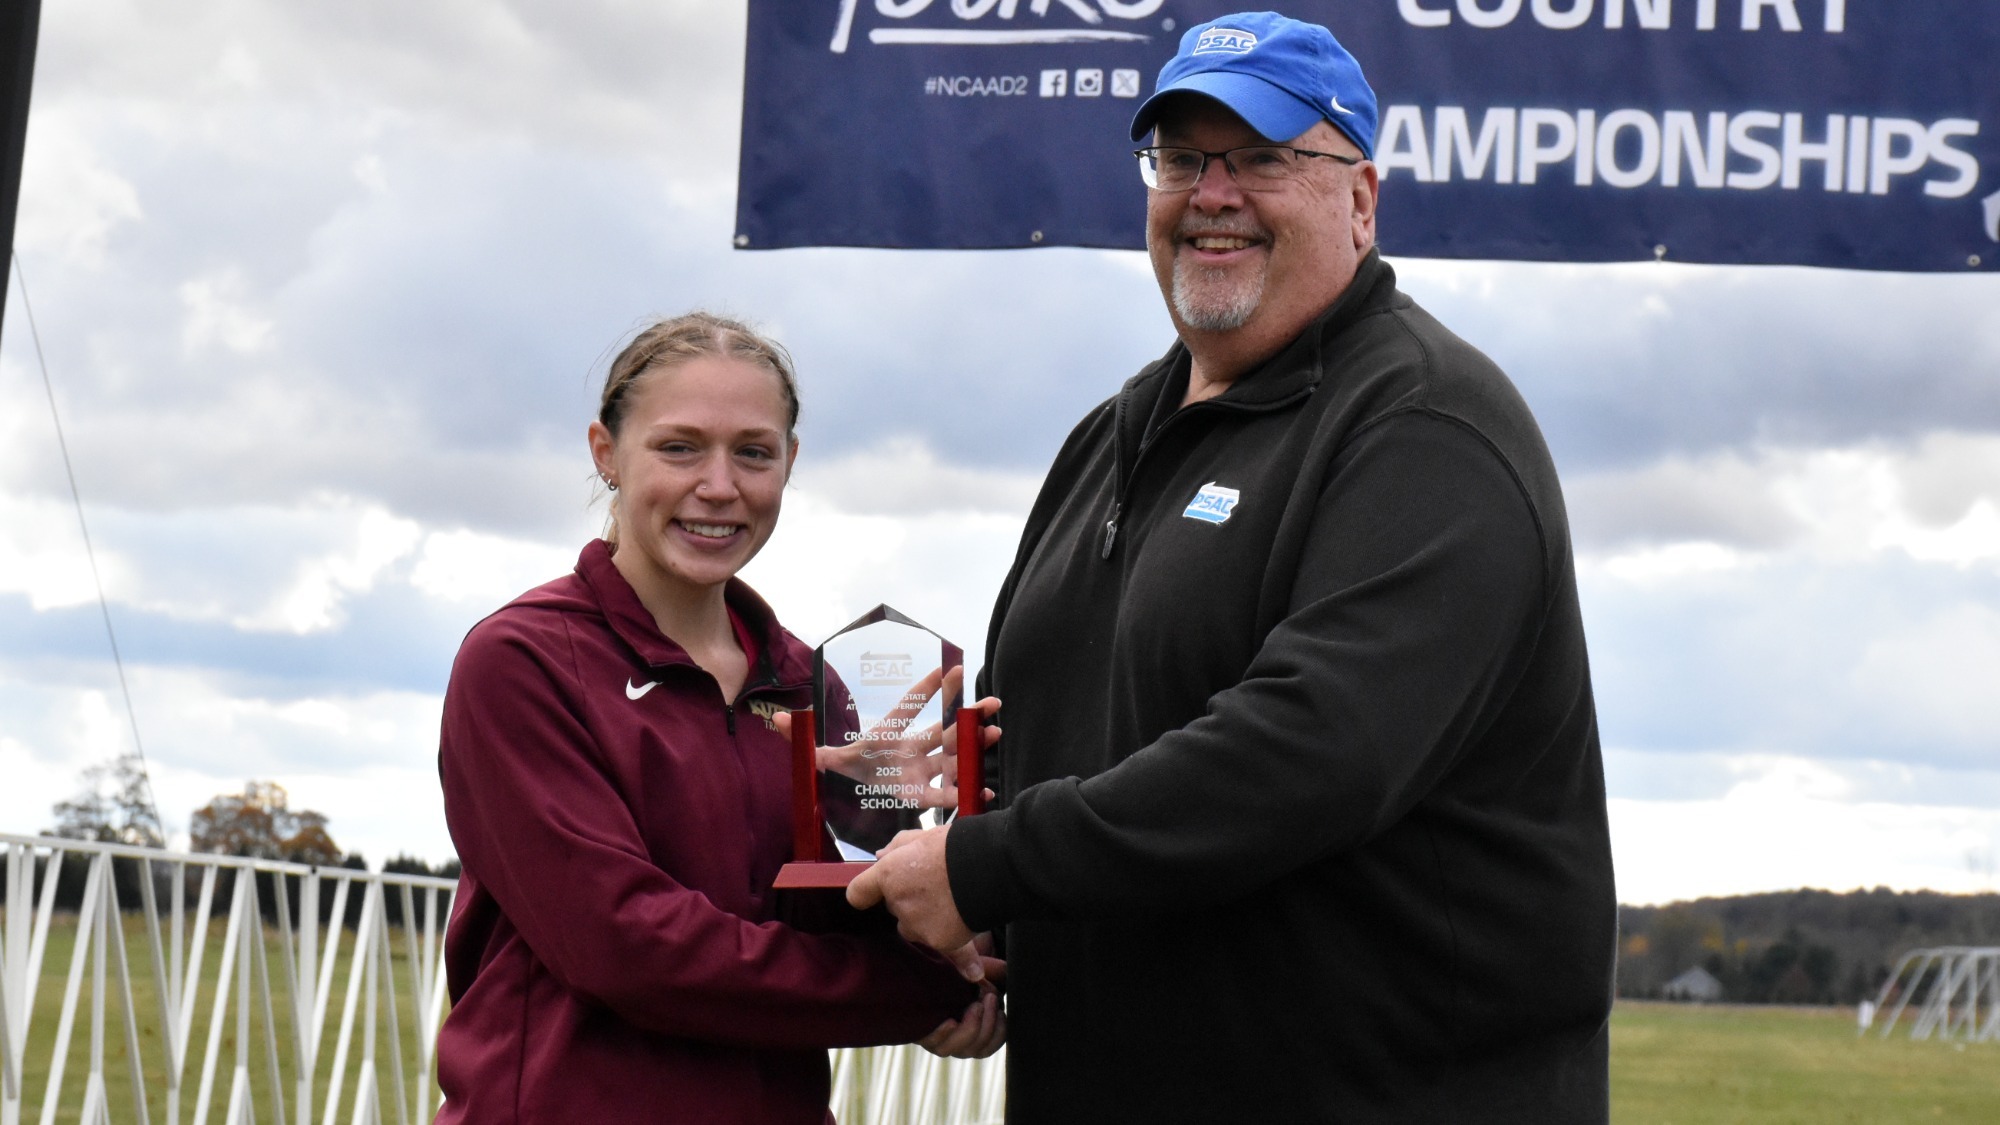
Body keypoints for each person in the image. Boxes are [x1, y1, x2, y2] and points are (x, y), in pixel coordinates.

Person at [847, 12, 1616, 1123]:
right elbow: (1053, 743)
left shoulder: (1425, 422)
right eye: (1180, 159)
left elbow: (1312, 751)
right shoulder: (1109, 436)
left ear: (1358, 199)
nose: (1211, 193)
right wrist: (987, 932)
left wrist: (987, 868)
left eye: (1263, 158)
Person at [434, 312, 1003, 1125]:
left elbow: (818, 916)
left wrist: (933, 891)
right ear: (606, 454)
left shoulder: (812, 682)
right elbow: (625, 947)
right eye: (679, 446)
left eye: (753, 452)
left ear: (789, 464)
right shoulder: (522, 661)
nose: (719, 485)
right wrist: (914, 991)